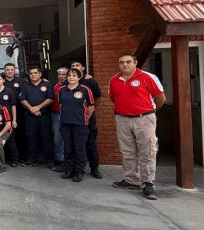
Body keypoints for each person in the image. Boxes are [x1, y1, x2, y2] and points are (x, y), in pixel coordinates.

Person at [109, 52, 166, 200]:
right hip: (122, 119)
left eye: (128, 62)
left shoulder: (147, 77)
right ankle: (131, 180)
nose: (125, 65)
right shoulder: (114, 80)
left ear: (135, 63)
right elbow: (113, 98)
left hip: (144, 119)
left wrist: (149, 112)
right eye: (121, 62)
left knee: (147, 151)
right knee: (127, 151)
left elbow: (160, 98)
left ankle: (147, 182)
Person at [57, 68, 95, 182]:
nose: (71, 77)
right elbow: (61, 105)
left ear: (79, 77)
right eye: (69, 75)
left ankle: (79, 171)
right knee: (68, 147)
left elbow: (91, 107)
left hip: (80, 123)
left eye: (74, 75)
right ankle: (69, 169)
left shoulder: (85, 90)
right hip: (65, 123)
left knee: (79, 148)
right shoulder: (62, 90)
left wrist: (84, 118)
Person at [71, 60, 104, 179]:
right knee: (76, 144)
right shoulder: (68, 83)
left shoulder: (90, 81)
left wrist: (90, 112)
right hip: (74, 120)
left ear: (83, 68)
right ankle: (77, 168)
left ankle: (94, 168)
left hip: (88, 118)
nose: (75, 67)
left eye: (77, 65)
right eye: (73, 66)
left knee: (91, 143)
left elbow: (98, 98)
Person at [20, 67, 55, 168]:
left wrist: (38, 107)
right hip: (30, 116)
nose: (33, 75)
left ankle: (49, 160)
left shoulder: (47, 84)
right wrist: (31, 109)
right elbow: (22, 99)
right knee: (31, 137)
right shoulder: (25, 85)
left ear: (40, 74)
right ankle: (31, 159)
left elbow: (51, 98)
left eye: (35, 73)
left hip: (44, 115)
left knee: (46, 137)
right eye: (31, 73)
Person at [0, 74, 20, 166]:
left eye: (0, 79)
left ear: (3, 80)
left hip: (8, 120)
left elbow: (13, 106)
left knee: (10, 140)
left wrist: (14, 120)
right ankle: (3, 158)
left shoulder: (9, 91)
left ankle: (14, 159)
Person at [2, 62, 27, 163]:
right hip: (5, 113)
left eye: (12, 69)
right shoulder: (1, 82)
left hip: (19, 112)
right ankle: (9, 157)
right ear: (4, 71)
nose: (10, 71)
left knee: (20, 135)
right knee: (8, 136)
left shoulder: (21, 82)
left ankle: (22, 156)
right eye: (7, 70)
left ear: (15, 70)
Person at [50, 67, 68, 172]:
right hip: (56, 115)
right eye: (59, 74)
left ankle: (68, 161)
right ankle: (59, 160)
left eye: (63, 74)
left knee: (68, 139)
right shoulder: (54, 86)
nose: (61, 76)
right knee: (57, 139)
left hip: (68, 116)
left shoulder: (71, 86)